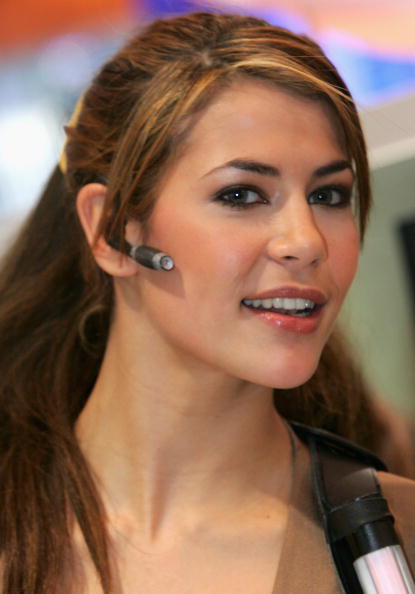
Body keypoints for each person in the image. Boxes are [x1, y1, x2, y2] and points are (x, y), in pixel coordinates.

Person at [0, 11, 414, 593]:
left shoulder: (398, 541)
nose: (305, 242)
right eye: (241, 194)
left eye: (328, 195)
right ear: (112, 231)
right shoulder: (17, 534)